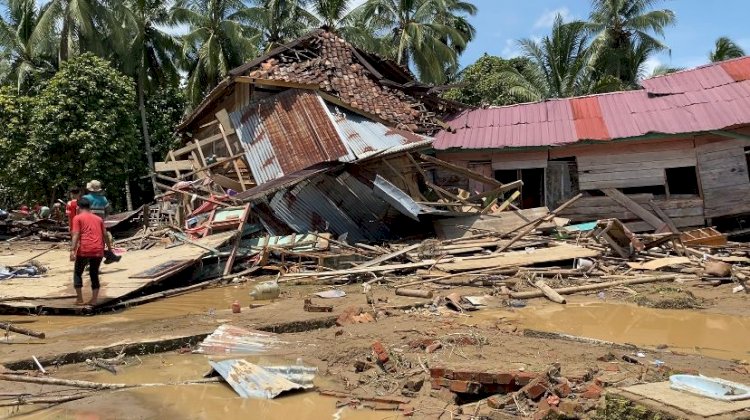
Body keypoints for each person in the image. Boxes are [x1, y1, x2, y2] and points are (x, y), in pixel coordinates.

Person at [70, 197, 111, 306]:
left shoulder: (77, 218)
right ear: (89, 207)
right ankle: (94, 300)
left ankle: (80, 299)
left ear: (78, 207)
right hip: (98, 250)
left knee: (78, 273)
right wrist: (110, 249)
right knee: (94, 274)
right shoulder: (98, 219)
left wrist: (72, 250)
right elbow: (105, 235)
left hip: (85, 249)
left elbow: (76, 235)